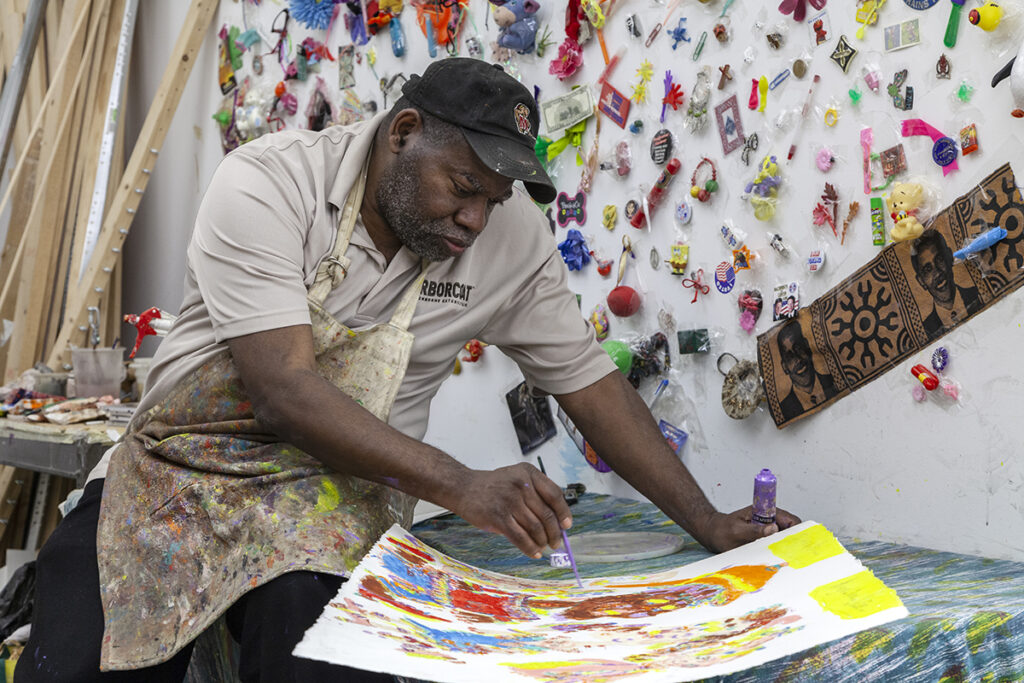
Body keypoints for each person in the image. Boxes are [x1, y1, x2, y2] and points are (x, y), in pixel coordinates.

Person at [18, 60, 799, 683]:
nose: (475, 220)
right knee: (83, 646)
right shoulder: (269, 184)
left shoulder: (507, 238)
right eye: (463, 188)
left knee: (316, 632)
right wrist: (463, 483)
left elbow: (591, 383)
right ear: (405, 132)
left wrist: (708, 521)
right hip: (182, 466)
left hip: (338, 495)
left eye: (494, 200)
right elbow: (285, 391)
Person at [910, 229, 981, 339]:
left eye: (939, 259)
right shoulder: (927, 329)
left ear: (949, 257)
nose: (937, 273)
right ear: (921, 281)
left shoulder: (978, 295)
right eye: (928, 269)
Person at [777, 318, 837, 422]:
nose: (798, 359)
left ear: (807, 346)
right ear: (784, 367)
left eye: (799, 349)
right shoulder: (784, 410)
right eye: (790, 357)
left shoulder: (835, 381)